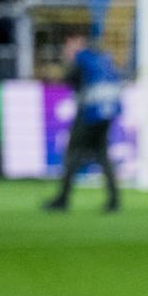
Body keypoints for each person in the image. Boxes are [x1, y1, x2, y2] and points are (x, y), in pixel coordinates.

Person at [45, 33, 123, 213]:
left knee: (73, 154)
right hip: (107, 112)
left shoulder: (82, 59)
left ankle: (62, 199)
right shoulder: (104, 59)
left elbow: (68, 79)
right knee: (103, 156)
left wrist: (68, 59)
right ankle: (114, 200)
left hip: (89, 114)